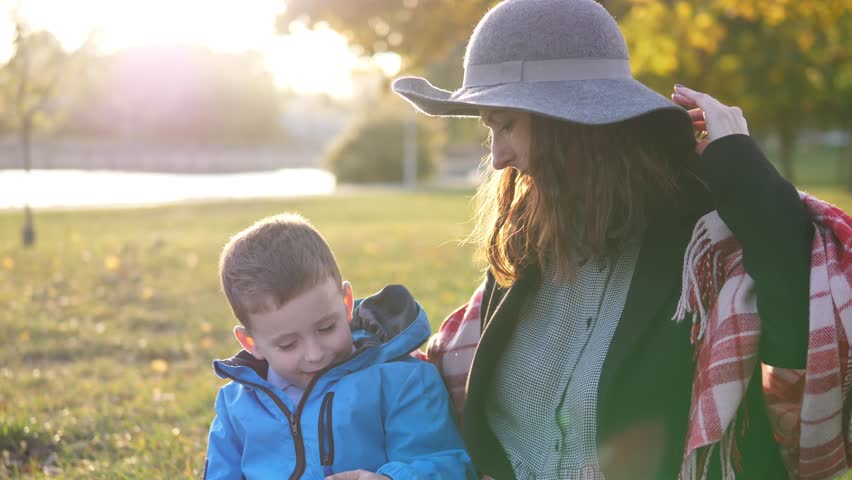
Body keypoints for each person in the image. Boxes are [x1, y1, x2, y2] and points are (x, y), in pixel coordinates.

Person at [393, 0, 813, 478]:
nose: (498, 158)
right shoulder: (525, 239)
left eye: (506, 125)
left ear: (568, 122)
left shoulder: (704, 242)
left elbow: (800, 338)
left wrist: (742, 167)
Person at [203, 213, 476, 480]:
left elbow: (443, 463)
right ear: (251, 343)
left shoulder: (401, 381)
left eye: (326, 328)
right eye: (288, 344)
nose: (315, 354)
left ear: (346, 302)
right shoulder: (236, 406)